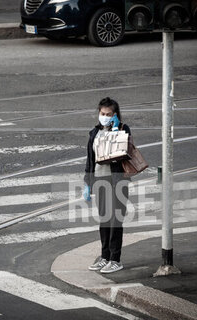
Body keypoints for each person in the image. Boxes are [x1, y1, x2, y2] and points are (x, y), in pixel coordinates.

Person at [83, 97, 131, 274]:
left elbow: (121, 152)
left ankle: (115, 259)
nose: (104, 117)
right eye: (102, 114)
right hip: (100, 181)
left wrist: (116, 128)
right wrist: (88, 183)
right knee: (104, 220)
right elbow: (90, 160)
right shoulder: (94, 133)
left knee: (115, 220)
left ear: (115, 115)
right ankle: (104, 257)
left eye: (108, 114)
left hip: (117, 181)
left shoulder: (123, 129)